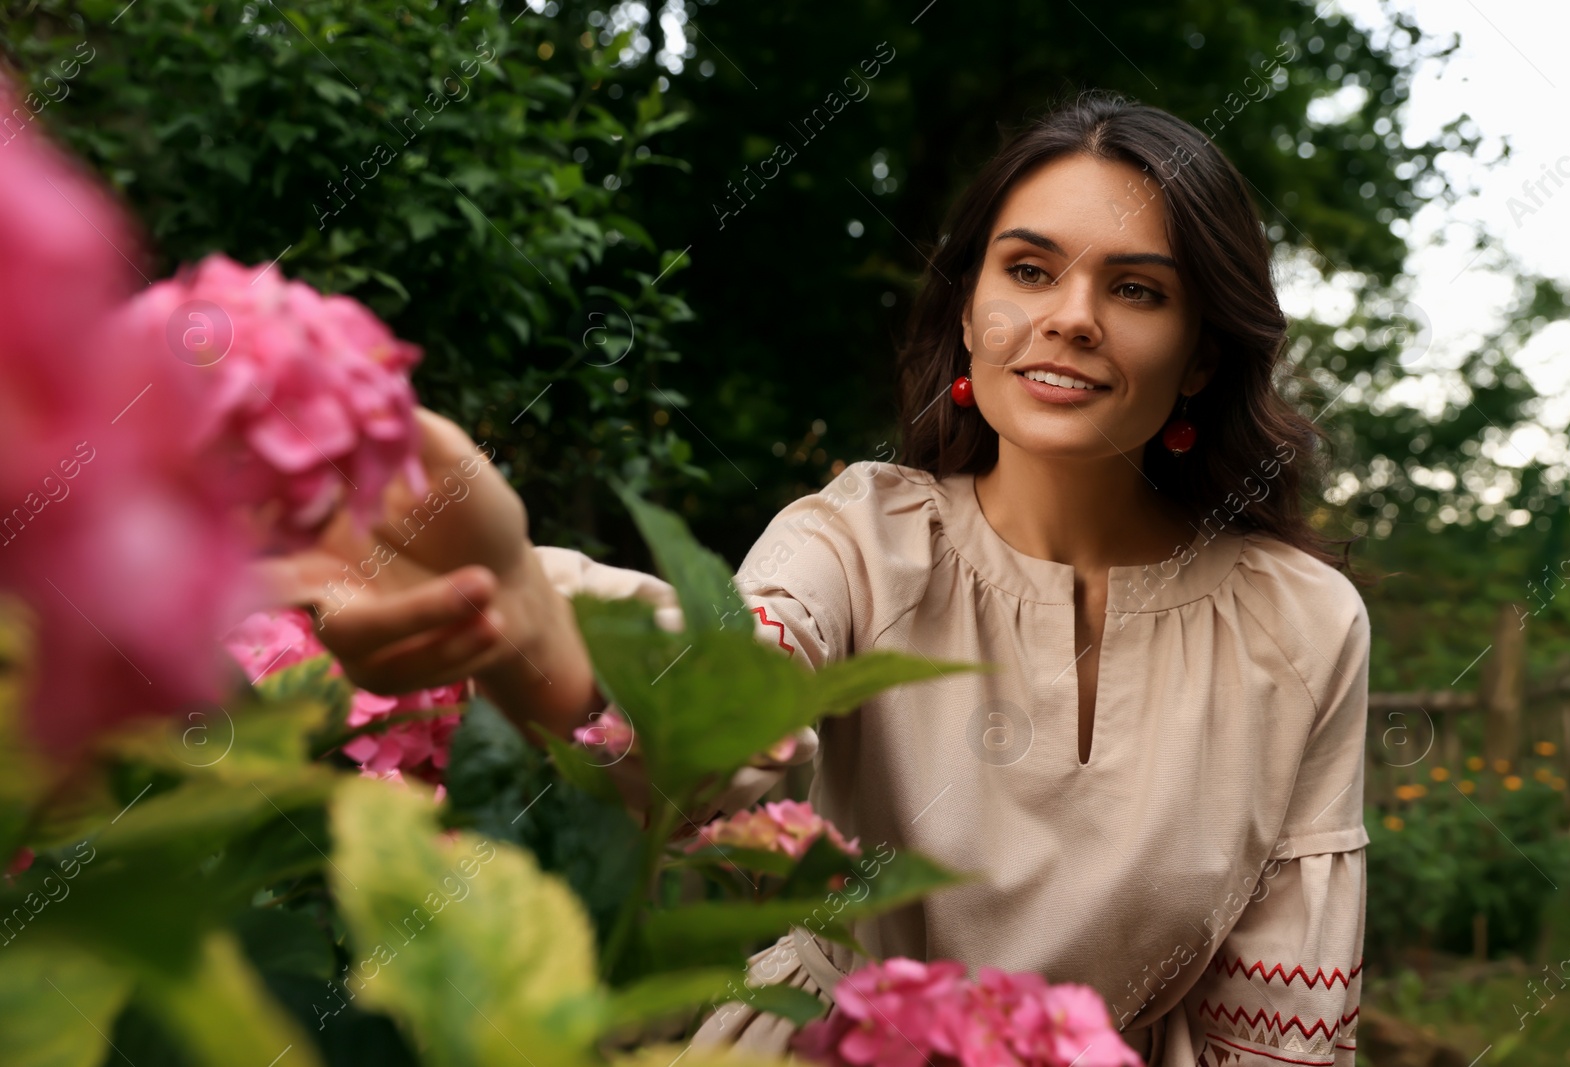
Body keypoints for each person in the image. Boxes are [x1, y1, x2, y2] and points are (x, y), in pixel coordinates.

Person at [266, 93, 1370, 1067]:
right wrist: (525, 618)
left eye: (1135, 288)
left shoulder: (1304, 624)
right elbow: (739, 686)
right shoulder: (859, 536)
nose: (1070, 316)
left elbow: (1272, 1026)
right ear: (970, 312)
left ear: (1204, 352)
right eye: (1027, 269)